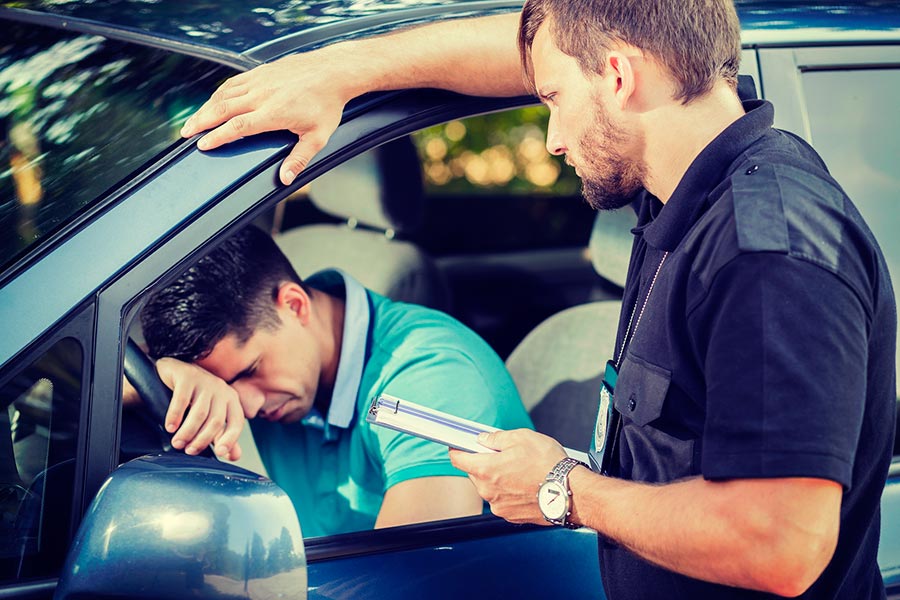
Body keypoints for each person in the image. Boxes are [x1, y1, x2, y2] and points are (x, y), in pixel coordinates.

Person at [179, 1, 897, 598]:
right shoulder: (678, 194)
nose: (550, 137)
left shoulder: (768, 251)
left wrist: (565, 487)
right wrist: (340, 72)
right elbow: (529, 48)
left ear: (618, 74)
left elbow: (783, 542)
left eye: (552, 99)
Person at [137, 225, 533, 537]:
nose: (247, 407)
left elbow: (407, 580)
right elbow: (94, 385)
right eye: (221, 384)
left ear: (294, 305)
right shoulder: (277, 371)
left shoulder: (431, 374)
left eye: (250, 371)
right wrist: (166, 374)